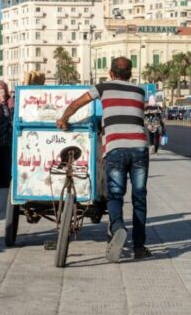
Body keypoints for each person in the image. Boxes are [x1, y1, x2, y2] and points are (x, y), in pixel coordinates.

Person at [57, 56, 151, 263]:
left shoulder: (103, 87)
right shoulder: (139, 91)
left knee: (115, 196)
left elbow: (76, 104)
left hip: (116, 148)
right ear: (130, 74)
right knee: (139, 198)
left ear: (110, 73)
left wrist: (64, 119)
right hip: (140, 147)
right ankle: (139, 246)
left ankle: (118, 228)